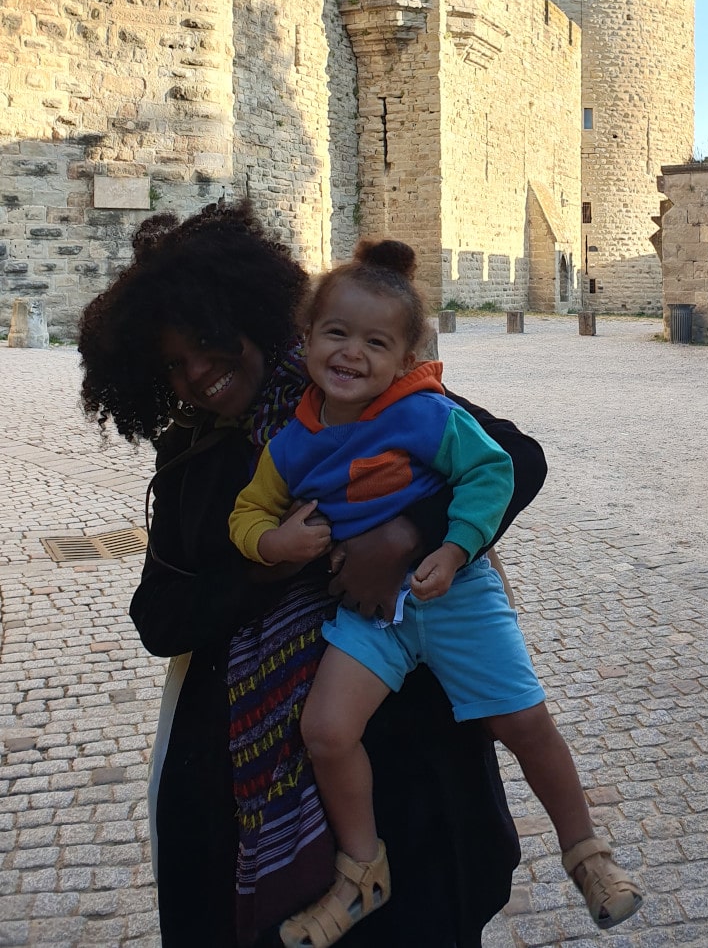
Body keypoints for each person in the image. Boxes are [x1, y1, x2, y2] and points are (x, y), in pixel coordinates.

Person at [78, 201, 547, 948]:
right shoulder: (189, 461)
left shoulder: (356, 393)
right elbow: (159, 617)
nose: (197, 373)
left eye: (206, 342)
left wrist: (404, 536)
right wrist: (266, 564)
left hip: (404, 764)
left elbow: (517, 458)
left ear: (251, 315)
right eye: (173, 362)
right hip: (244, 787)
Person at [230, 240, 643, 948]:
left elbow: (494, 470)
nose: (352, 353)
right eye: (336, 333)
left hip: (455, 594)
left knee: (522, 722)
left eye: (375, 342)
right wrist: (274, 543)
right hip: (373, 616)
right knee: (327, 731)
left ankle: (586, 852)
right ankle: (362, 873)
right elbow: (249, 512)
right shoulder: (290, 445)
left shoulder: (423, 413)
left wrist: (449, 548)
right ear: (304, 342)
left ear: (405, 358)